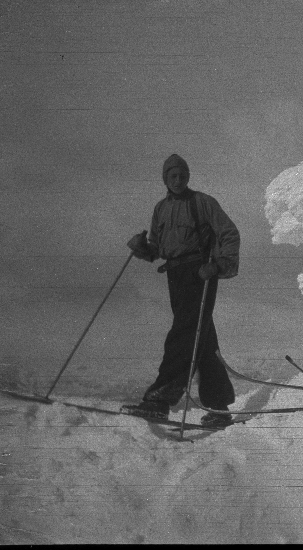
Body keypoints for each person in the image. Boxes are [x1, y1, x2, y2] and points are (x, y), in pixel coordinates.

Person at [122, 154, 241, 427]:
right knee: (202, 337)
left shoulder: (203, 202)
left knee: (184, 333)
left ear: (188, 176)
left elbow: (229, 233)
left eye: (182, 175)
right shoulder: (160, 209)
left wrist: (219, 265)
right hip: (175, 275)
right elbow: (157, 249)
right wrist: (141, 248)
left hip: (200, 273)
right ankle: (219, 408)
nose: (178, 180)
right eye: (172, 176)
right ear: (165, 179)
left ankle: (159, 401)